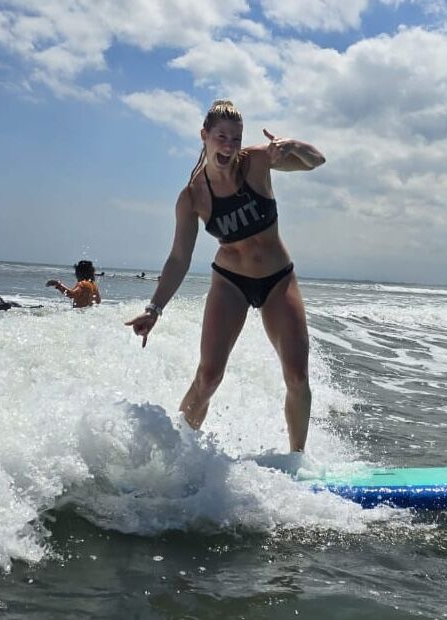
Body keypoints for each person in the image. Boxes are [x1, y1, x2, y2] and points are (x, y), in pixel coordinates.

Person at [125, 99, 325, 452]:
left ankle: (297, 461)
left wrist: (292, 146)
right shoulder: (192, 197)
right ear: (205, 136)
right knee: (209, 376)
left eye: (236, 138)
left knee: (297, 376)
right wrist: (154, 309)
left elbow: (315, 161)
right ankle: (177, 452)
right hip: (230, 283)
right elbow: (178, 258)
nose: (230, 146)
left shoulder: (257, 162)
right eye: (222, 137)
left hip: (278, 280)